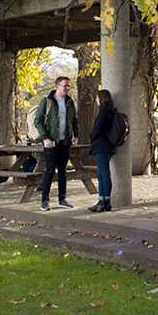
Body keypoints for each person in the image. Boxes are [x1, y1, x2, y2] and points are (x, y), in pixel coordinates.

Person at [33, 76, 79, 211]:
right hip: (51, 143)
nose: (67, 88)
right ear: (57, 86)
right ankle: (44, 200)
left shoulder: (70, 102)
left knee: (63, 171)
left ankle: (62, 199)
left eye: (68, 86)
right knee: (49, 170)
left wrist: (76, 136)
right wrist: (45, 138)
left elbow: (74, 121)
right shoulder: (47, 101)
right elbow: (38, 121)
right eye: (65, 85)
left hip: (65, 142)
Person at [88, 89, 115, 213]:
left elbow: (97, 129)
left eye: (97, 98)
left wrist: (92, 137)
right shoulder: (111, 112)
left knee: (103, 174)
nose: (96, 100)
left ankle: (103, 201)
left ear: (101, 99)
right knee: (102, 173)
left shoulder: (104, 112)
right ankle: (104, 201)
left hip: (101, 145)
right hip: (107, 145)